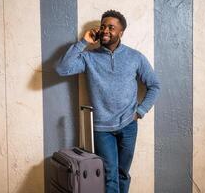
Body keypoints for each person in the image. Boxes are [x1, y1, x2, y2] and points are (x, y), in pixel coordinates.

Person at [56, 10, 160, 193]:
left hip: (129, 125)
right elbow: (62, 69)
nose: (105, 30)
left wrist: (140, 111)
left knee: (122, 174)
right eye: (103, 26)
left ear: (121, 32)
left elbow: (154, 85)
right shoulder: (89, 57)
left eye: (111, 27)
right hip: (102, 128)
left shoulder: (135, 57)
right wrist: (84, 42)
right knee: (110, 174)